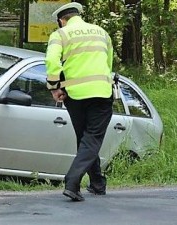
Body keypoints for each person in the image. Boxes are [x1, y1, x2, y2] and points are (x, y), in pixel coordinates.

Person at [45, 2, 114, 201]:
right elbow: (109, 63)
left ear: (61, 20)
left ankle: (97, 183)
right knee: (91, 138)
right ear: (78, 15)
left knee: (85, 138)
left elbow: (51, 62)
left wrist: (54, 87)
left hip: (74, 95)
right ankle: (74, 181)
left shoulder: (60, 34)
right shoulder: (102, 32)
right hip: (101, 92)